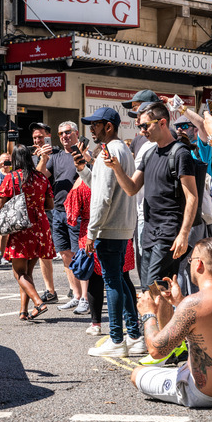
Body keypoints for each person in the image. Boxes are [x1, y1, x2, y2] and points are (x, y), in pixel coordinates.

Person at [132, 238, 212, 408]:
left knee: (137, 373)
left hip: (206, 394)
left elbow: (156, 350)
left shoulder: (194, 304)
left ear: (199, 264)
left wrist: (148, 314)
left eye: (190, 260)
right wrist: (179, 302)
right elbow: (211, 324)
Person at [71, 107, 143, 357]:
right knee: (121, 280)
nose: (91, 128)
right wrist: (83, 169)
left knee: (113, 282)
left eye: (96, 124)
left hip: (109, 229)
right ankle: (134, 335)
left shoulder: (109, 151)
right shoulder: (121, 149)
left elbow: (101, 198)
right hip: (122, 226)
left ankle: (116, 339)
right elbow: (103, 187)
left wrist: (91, 232)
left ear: (109, 126)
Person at [106, 102, 198, 291]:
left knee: (155, 286)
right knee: (151, 288)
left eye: (145, 125)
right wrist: (116, 168)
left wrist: (183, 234)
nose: (142, 131)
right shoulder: (149, 153)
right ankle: (160, 321)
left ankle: (158, 321)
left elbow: (192, 197)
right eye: (140, 127)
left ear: (162, 122)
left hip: (168, 233)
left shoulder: (180, 153)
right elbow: (131, 188)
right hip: (149, 231)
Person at [65, 178, 137, 336]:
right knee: (123, 277)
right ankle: (133, 322)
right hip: (120, 231)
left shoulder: (82, 184)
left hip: (91, 233)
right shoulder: (120, 180)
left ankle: (96, 324)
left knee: (95, 279)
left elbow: (71, 211)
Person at [0, 144, 55, 320]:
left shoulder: (12, 178)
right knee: (27, 272)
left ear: (15, 159)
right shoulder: (42, 178)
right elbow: (50, 205)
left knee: (19, 272)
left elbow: (0, 204)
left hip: (21, 228)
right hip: (40, 227)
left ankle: (38, 302)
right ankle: (23, 311)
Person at [38, 121, 87, 312]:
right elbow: (41, 175)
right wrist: (43, 157)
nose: (64, 136)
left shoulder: (80, 153)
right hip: (57, 211)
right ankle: (75, 295)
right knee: (65, 253)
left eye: (67, 132)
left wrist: (84, 156)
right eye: (61, 134)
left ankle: (85, 297)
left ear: (76, 133)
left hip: (77, 211)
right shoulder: (56, 156)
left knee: (79, 254)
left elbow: (89, 174)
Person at [29, 122, 58, 304]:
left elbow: (41, 175)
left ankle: (77, 290)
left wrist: (44, 157)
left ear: (48, 136)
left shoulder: (56, 154)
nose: (37, 140)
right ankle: (50, 290)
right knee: (44, 252)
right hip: (41, 208)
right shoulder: (33, 157)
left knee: (65, 251)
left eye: (40, 137)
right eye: (35, 138)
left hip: (57, 206)